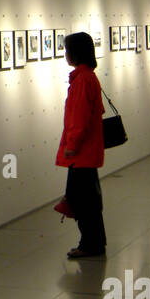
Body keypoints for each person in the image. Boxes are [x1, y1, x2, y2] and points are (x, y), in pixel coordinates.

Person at [56, 32, 106, 258]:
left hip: (81, 153)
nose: (65, 54)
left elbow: (79, 117)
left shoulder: (82, 80)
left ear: (76, 52)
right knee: (89, 199)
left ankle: (90, 244)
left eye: (67, 50)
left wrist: (72, 145)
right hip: (87, 152)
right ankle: (94, 242)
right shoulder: (87, 77)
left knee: (83, 201)